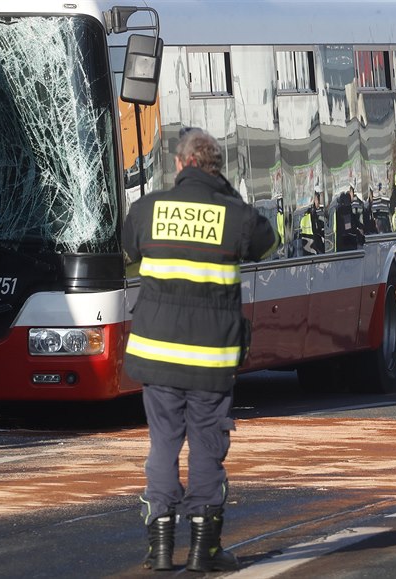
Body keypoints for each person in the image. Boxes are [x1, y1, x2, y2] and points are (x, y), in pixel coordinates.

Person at [122, 126, 278, 572]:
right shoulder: (234, 214)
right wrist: (224, 191)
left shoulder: (149, 209)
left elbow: (128, 247)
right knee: (207, 448)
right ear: (215, 168)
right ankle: (203, 550)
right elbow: (266, 241)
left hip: (158, 357)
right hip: (210, 362)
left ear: (179, 163)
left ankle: (160, 548)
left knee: (163, 447)